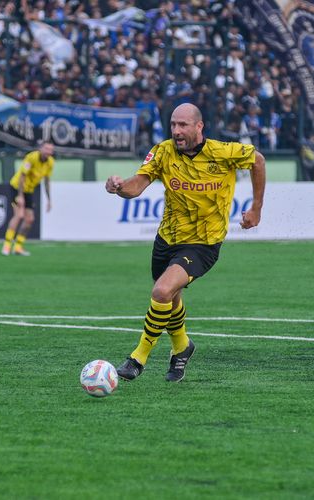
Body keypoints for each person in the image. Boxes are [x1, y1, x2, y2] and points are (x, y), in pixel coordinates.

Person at [105, 103, 266, 382]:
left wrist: (256, 209)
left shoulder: (223, 152)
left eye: (183, 125)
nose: (177, 131)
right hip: (167, 239)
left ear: (199, 126)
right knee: (170, 298)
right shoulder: (163, 151)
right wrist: (119, 188)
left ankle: (138, 357)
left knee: (161, 291)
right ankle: (182, 346)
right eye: (173, 125)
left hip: (203, 243)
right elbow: (138, 184)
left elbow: (258, 161)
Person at [1, 142, 55, 256]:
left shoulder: (50, 163)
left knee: (29, 220)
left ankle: (18, 247)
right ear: (41, 149)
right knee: (19, 215)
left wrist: (49, 200)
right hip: (17, 187)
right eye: (46, 149)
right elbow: (22, 176)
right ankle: (6, 245)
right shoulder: (31, 157)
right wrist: (20, 196)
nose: (48, 152)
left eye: (50, 150)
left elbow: (46, 181)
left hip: (29, 191)